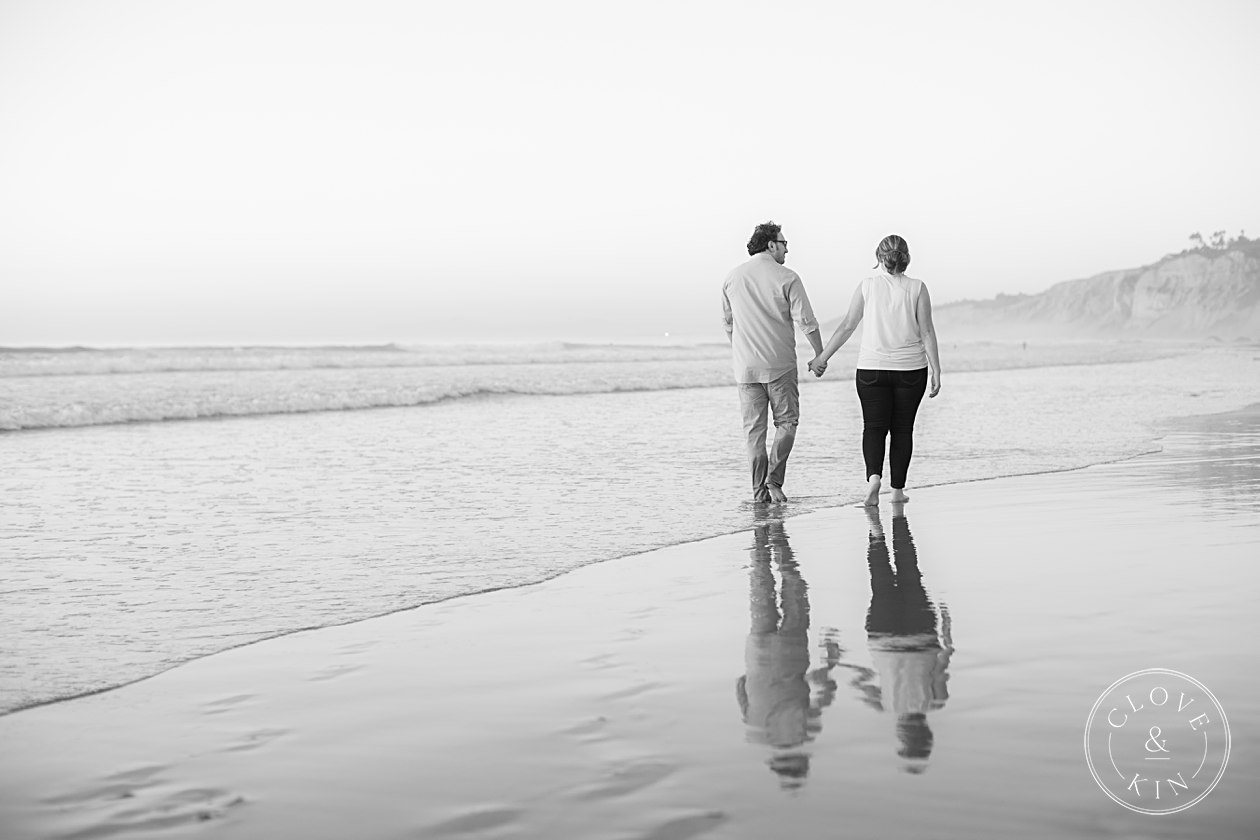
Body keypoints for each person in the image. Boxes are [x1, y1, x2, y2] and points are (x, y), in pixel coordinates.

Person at [808, 235, 941, 506]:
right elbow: (926, 331)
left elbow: (847, 325)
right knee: (903, 430)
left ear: (880, 258)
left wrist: (822, 357)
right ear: (906, 258)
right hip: (911, 369)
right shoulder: (918, 288)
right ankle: (897, 492)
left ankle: (873, 479)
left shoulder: (867, 286)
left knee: (873, 427)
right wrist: (937, 370)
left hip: (871, 370)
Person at [722, 221, 824, 503]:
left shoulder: (732, 278)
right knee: (787, 423)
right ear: (771, 244)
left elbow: (728, 324)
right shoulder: (787, 277)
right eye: (784, 244)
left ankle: (758, 493)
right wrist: (820, 355)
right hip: (780, 367)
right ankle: (774, 482)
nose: (786, 250)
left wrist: (742, 351)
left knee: (754, 433)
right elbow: (807, 322)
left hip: (746, 370)